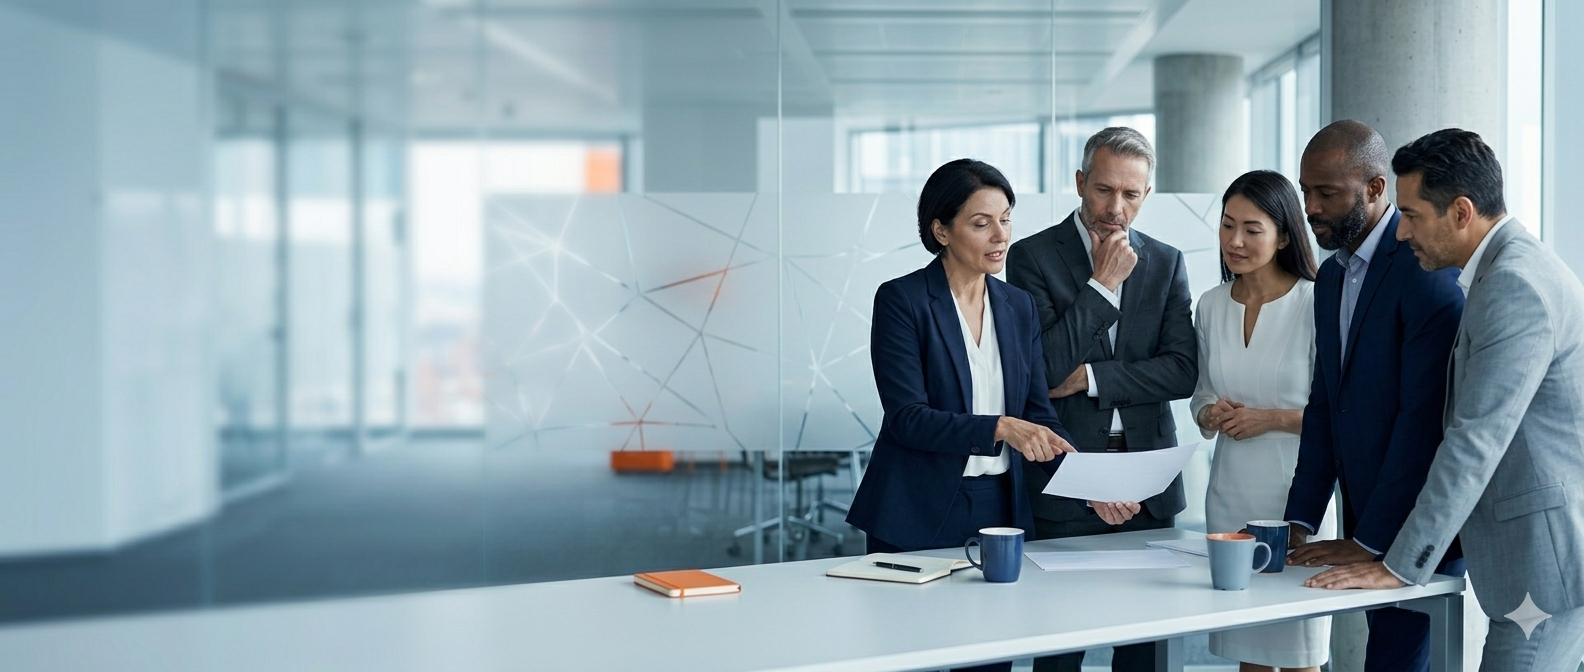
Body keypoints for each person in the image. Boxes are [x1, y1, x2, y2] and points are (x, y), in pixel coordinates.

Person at [1307, 129, 1584, 672]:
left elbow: (1474, 439)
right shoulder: (1506, 269)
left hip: (1541, 573)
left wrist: (1399, 565)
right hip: (1535, 562)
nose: (1402, 230)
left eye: (1411, 214)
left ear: (1461, 211)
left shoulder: (1514, 285)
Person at [847, 158, 1077, 672]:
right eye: (981, 223)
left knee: (989, 658)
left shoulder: (1017, 306)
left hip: (999, 509)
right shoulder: (903, 300)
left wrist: (1091, 482)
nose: (1001, 236)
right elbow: (907, 416)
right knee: (910, 655)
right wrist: (998, 426)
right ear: (941, 230)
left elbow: (1039, 415)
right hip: (917, 508)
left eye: (1006, 218)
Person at [1006, 127, 1196, 672]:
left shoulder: (1166, 261)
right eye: (1104, 191)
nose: (1116, 208)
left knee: (1145, 653)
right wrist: (1102, 288)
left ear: (1146, 195)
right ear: (1080, 183)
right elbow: (1040, 371)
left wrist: (1091, 376)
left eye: (1131, 195)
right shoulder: (1031, 257)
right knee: (1061, 649)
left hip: (1148, 482)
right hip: (1064, 478)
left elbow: (1182, 371)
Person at [1279, 120, 1465, 672]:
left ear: (1376, 189)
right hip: (1366, 519)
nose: (1310, 207)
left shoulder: (1424, 269)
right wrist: (1300, 520)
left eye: (1327, 194)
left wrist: (1372, 542)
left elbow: (1423, 422)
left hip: (1416, 529)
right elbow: (1325, 406)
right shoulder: (1332, 277)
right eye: (1305, 191)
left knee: (1394, 663)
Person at [1189, 170, 1326, 672]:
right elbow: (1201, 393)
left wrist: (1271, 418)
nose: (1235, 241)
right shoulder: (1209, 305)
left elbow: (1341, 415)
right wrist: (1209, 412)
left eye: (1251, 228)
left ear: (1285, 235)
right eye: (1227, 225)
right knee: (1247, 652)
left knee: (1298, 651)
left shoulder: (1315, 302)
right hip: (1230, 496)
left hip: (1297, 497)